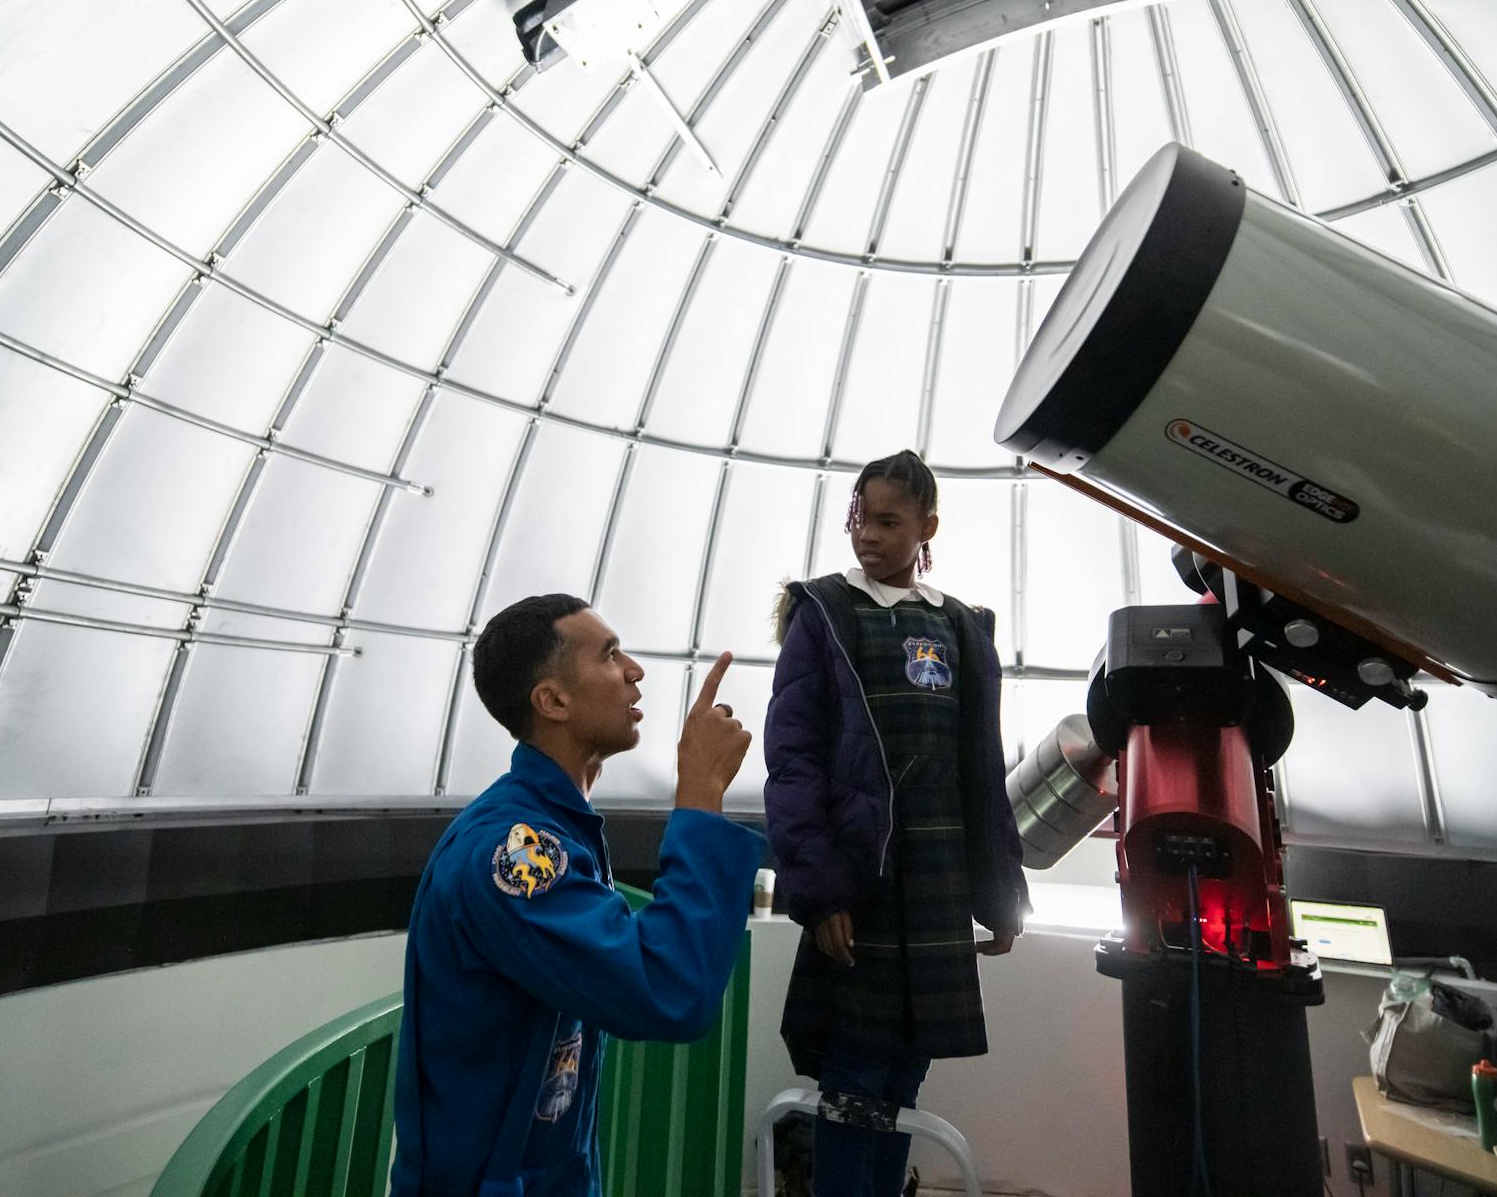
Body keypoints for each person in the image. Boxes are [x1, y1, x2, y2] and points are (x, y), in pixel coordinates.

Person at [389, 593, 761, 1197]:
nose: (635, 671)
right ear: (553, 700)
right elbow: (669, 989)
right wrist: (699, 794)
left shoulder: (557, 827)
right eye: (611, 655)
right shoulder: (510, 851)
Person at [763, 451, 1030, 1197]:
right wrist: (821, 894)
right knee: (853, 1076)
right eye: (859, 519)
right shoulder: (824, 614)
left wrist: (1002, 895)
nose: (868, 536)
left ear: (926, 527)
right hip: (861, 884)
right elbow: (793, 764)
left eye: (887, 522)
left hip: (939, 888)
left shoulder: (960, 628)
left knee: (908, 1068)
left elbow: (983, 774)